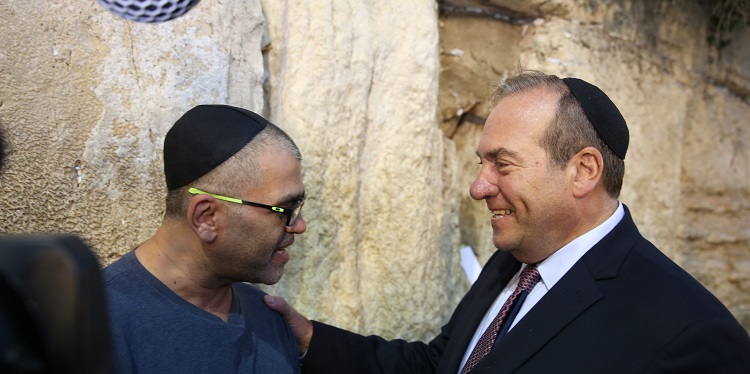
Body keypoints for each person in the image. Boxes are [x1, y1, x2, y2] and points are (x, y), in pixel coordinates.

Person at [264, 71, 750, 373]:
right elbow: (442, 366)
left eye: (503, 163)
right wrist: (309, 337)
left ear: (583, 171)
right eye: (482, 163)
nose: (479, 187)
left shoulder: (689, 331)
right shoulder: (514, 261)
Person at [104, 105, 307, 373]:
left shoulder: (270, 317)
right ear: (207, 217)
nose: (299, 226)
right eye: (285, 210)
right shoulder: (97, 325)